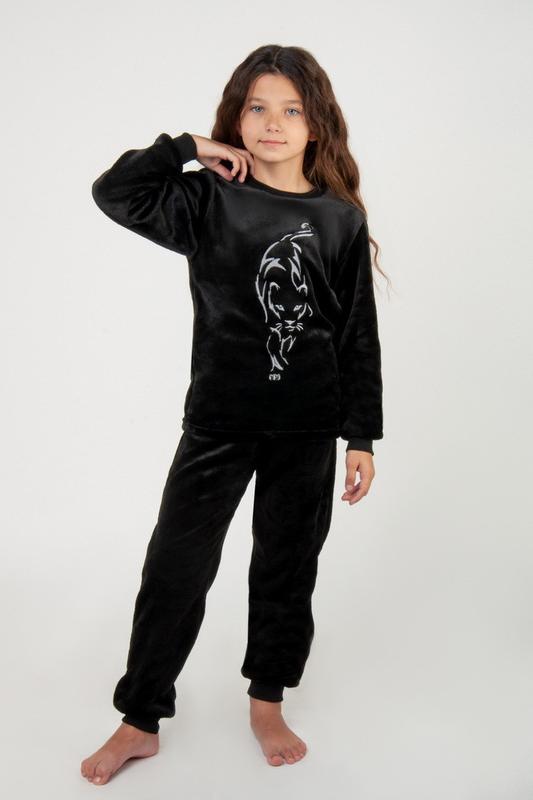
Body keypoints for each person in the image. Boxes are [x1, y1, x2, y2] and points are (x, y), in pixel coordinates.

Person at [81, 43, 385, 784]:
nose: (273, 122)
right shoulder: (205, 200)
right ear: (237, 118)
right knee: (175, 569)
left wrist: (360, 434)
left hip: (307, 425)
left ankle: (266, 702)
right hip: (218, 421)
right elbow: (113, 192)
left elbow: (356, 332)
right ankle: (140, 718)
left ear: (316, 124)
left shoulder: (339, 219)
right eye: (257, 107)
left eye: (291, 110)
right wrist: (187, 148)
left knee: (286, 568)